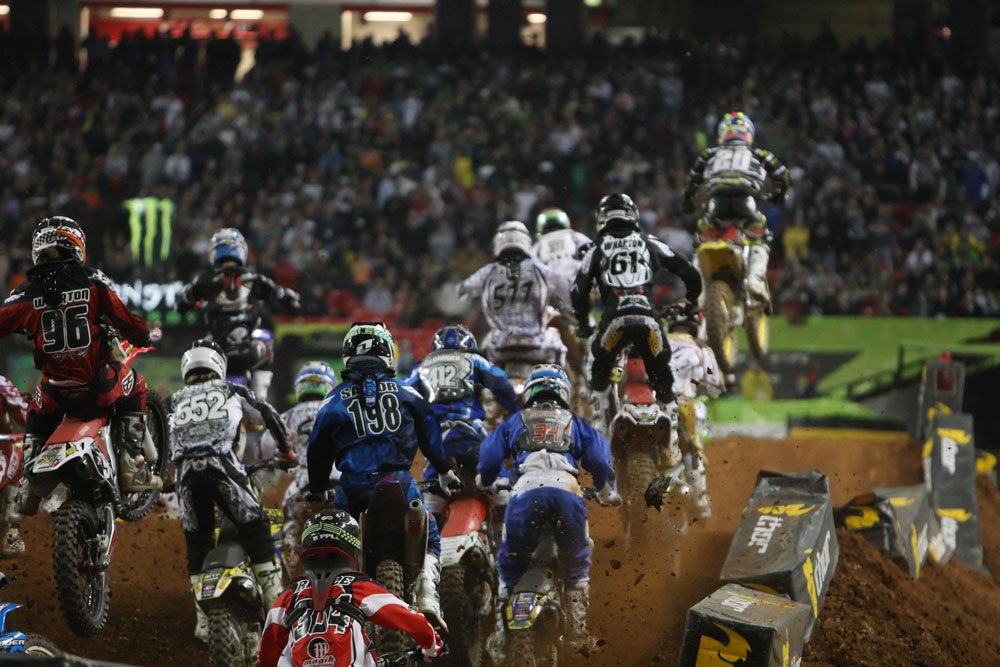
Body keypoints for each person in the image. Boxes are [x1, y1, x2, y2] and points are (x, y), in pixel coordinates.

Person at [306, 322, 461, 629]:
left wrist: (319, 488)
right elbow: (430, 434)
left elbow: (317, 449)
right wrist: (444, 471)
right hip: (399, 482)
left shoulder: (333, 400)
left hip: (353, 487)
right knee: (429, 532)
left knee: (334, 541)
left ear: (347, 355)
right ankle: (427, 595)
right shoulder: (408, 392)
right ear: (388, 354)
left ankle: (333, 610)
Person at [0, 216, 162, 495]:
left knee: (36, 410)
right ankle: (131, 464)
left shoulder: (24, 293)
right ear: (75, 244)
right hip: (97, 385)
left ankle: (29, 476)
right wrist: (143, 335)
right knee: (136, 383)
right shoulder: (92, 280)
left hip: (56, 391)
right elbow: (124, 319)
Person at [477, 364, 620, 649]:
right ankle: (577, 633)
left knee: (509, 562)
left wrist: (487, 479)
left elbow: (490, 457)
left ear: (530, 392)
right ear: (564, 392)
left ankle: (502, 636)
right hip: (567, 490)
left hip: (525, 490)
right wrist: (606, 492)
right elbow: (599, 459)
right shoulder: (574, 422)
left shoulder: (516, 420)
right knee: (576, 561)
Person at [169, 339, 295, 641]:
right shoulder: (231, 390)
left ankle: (202, 621)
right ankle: (275, 605)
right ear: (218, 364)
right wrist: (285, 451)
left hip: (186, 477)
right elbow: (267, 413)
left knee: (197, 543)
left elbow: (156, 436)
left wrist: (161, 473)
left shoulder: (173, 400)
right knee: (256, 529)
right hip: (223, 469)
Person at [571, 194, 703, 436]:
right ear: (633, 215)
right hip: (648, 322)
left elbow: (577, 292)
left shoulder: (596, 248)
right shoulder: (649, 242)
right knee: (662, 377)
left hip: (614, 324)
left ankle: (600, 430)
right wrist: (692, 301)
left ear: (602, 219)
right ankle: (672, 437)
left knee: (598, 372)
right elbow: (689, 272)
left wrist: (582, 323)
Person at [257, 509, 444, 667]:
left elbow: (267, 653)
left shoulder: (289, 595)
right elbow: (413, 620)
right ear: (352, 548)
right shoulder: (357, 587)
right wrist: (432, 647)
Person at [404, 324, 519, 520]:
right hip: (472, 433)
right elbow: (501, 382)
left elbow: (403, 394)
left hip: (438, 442)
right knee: (502, 488)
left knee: (430, 501)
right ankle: (506, 530)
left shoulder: (421, 367)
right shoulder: (473, 359)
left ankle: (431, 534)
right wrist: (515, 412)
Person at [681, 111, 792, 307]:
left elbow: (691, 182)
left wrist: (688, 203)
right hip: (746, 201)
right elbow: (784, 177)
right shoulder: (759, 153)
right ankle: (756, 279)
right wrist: (779, 195)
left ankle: (698, 291)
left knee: (699, 240)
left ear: (722, 133)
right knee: (762, 236)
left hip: (717, 204)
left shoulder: (710, 153)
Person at [176, 228, 301, 400]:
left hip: (216, 347)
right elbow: (284, 297)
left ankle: (196, 402)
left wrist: (190, 300)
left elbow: (181, 305)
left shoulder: (204, 280)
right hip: (245, 345)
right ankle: (260, 399)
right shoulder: (254, 278)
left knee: (196, 351)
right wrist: (290, 298)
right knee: (266, 337)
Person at [260, 361, 341, 569]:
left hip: (303, 482)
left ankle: (292, 563)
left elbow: (266, 445)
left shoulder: (288, 415)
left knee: (288, 519)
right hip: (338, 477)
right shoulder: (340, 411)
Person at [645, 312, 724, 520]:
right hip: (683, 404)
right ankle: (701, 503)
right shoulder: (701, 349)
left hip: (652, 405)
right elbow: (715, 387)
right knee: (693, 449)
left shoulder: (655, 343)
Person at [459, 221, 571, 367]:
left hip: (500, 345)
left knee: (482, 356)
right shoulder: (538, 268)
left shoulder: (489, 271)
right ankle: (559, 380)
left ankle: (485, 382)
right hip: (537, 343)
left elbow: (463, 290)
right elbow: (565, 287)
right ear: (526, 242)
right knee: (559, 347)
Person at [0, 376, 28, 556]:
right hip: (5, 447)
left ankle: (5, 532)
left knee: (17, 457)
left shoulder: (2, 384)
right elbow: (26, 416)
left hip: (3, 447)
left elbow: (26, 416)